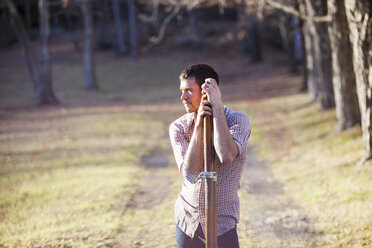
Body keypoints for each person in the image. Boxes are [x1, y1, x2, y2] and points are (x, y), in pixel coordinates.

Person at [169, 64, 251, 248]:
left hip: (222, 222)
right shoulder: (179, 128)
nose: (183, 97)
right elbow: (191, 172)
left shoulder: (238, 121)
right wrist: (199, 125)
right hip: (188, 220)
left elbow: (226, 155)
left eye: (189, 91)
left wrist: (217, 110)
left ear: (208, 92)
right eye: (182, 91)